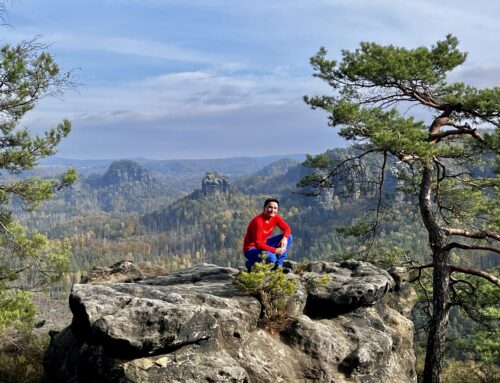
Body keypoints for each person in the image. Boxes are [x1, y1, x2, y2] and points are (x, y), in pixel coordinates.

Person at [243, 198, 293, 271]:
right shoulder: (258, 222)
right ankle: (251, 263)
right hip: (251, 249)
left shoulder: (275, 217)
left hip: (264, 243)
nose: (272, 210)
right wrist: (275, 250)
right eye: (270, 207)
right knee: (272, 258)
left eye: (275, 208)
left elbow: (287, 228)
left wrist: (285, 238)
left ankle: (278, 265)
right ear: (264, 208)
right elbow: (258, 244)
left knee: (289, 237)